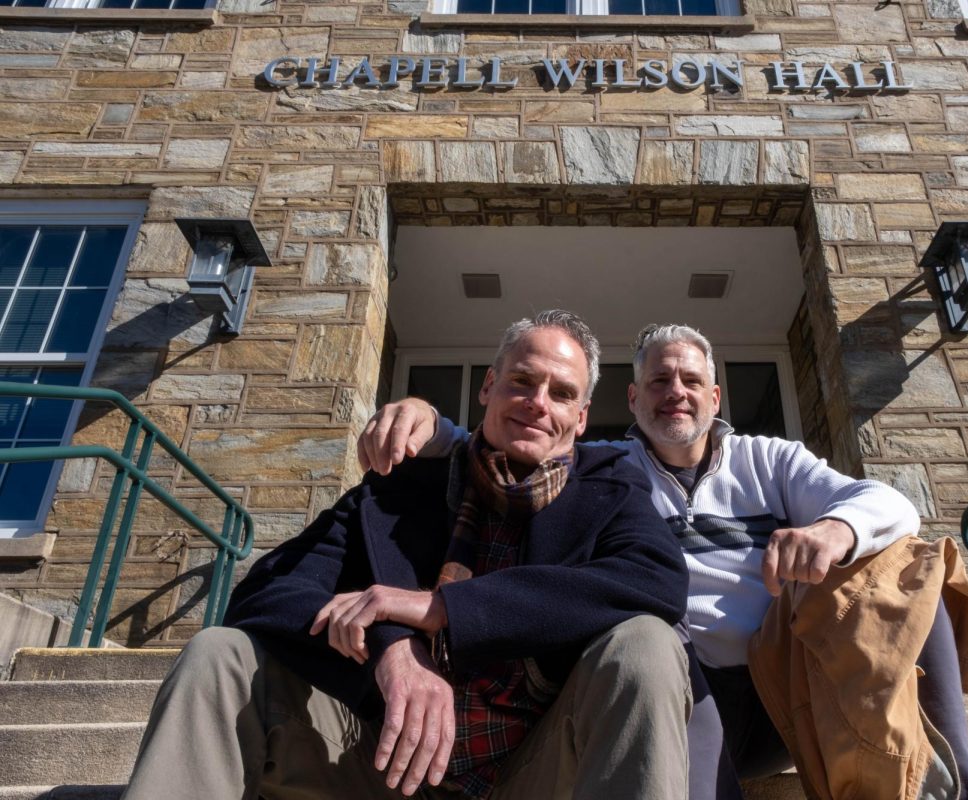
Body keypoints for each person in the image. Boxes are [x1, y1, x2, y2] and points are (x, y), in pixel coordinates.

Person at [359, 323, 968, 800]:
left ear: (716, 396)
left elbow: (891, 504)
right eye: (659, 381)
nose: (676, 394)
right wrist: (427, 419)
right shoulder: (603, 467)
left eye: (691, 380)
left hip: (786, 685)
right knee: (652, 638)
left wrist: (835, 528)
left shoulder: (770, 461)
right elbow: (515, 436)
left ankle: (957, 786)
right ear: (632, 400)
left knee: (913, 560)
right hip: (670, 692)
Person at [123, 310, 692, 800]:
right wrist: (392, 649)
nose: (538, 404)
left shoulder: (610, 488)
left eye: (562, 393)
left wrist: (444, 609)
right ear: (488, 387)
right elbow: (265, 592)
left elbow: (656, 582)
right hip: (377, 767)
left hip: (536, 771)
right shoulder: (399, 486)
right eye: (522, 381)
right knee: (219, 654)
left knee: (647, 644)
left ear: (582, 417)